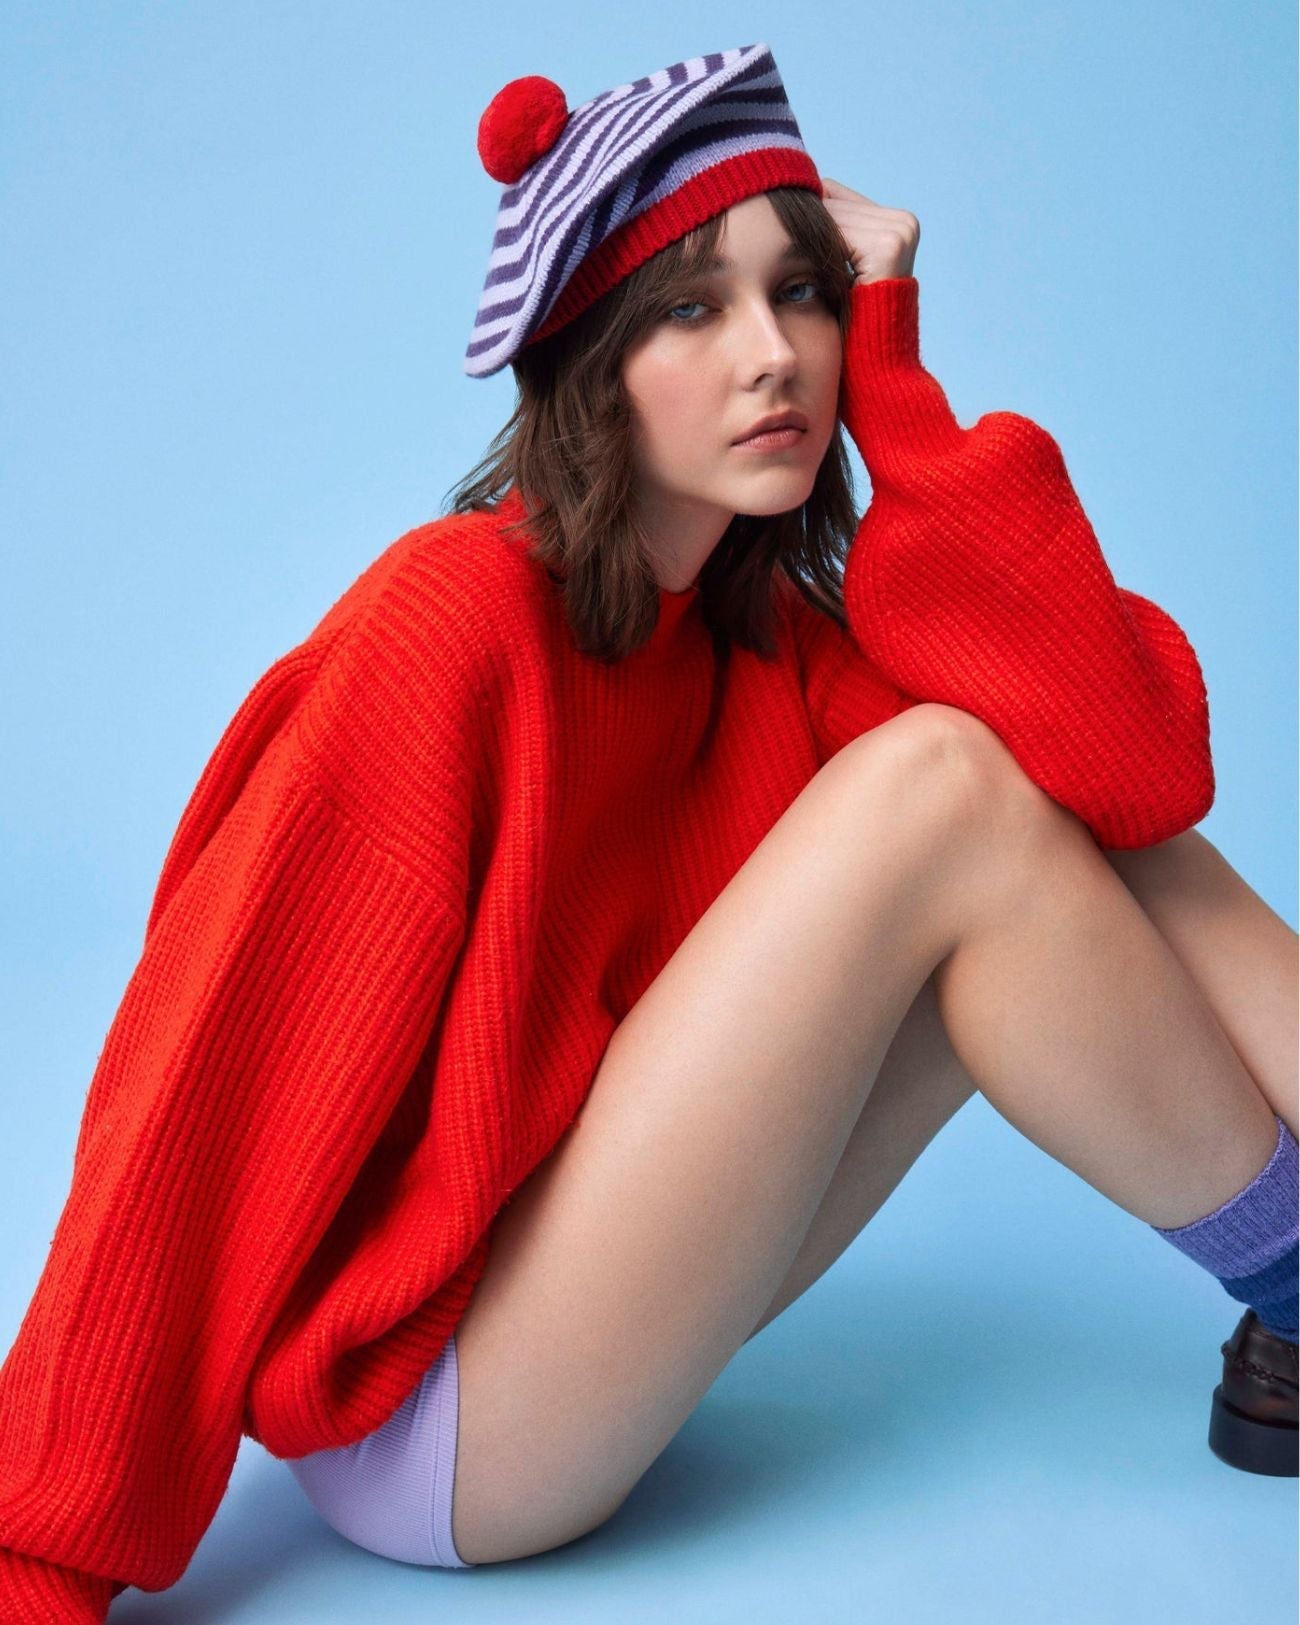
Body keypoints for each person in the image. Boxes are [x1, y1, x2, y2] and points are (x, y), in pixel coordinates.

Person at [1, 39, 1295, 1618]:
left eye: (802, 295)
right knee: (946, 781)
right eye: (693, 308)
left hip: (586, 1306)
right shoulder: (451, 622)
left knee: (1025, 780)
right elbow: (213, 1069)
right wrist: (38, 1546)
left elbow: (1132, 772)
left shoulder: (767, 648)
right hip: (435, 1417)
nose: (775, 357)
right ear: (593, 362)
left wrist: (898, 382)